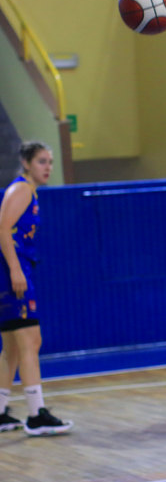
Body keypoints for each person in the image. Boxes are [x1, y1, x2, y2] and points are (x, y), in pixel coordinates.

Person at [0, 141, 73, 436]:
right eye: (42, 161)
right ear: (27, 163)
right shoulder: (21, 189)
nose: (48, 167)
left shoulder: (28, 191)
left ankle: (1, 410)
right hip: (11, 271)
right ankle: (36, 414)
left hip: (13, 269)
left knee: (13, 347)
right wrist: (15, 269)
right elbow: (2, 229)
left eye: (50, 162)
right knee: (31, 341)